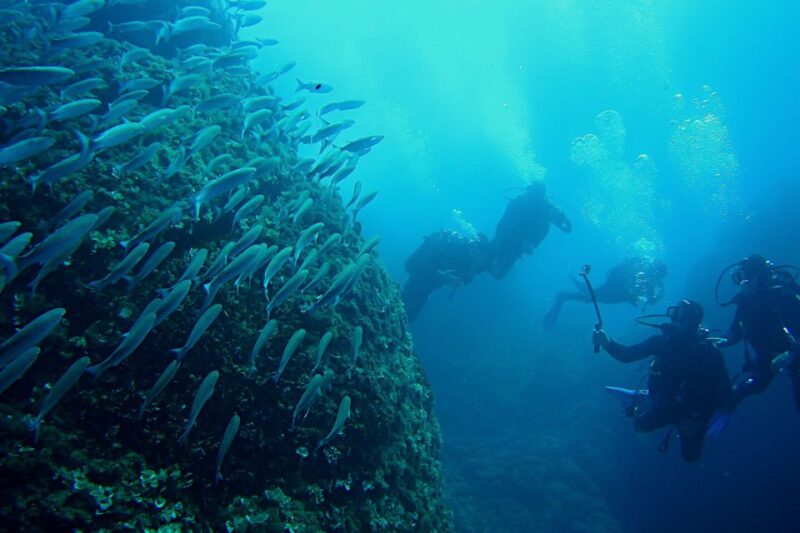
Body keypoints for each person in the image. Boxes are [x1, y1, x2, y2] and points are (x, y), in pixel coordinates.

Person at [593, 299, 731, 462]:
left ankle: (643, 398)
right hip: (665, 402)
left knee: (691, 457)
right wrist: (607, 343)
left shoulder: (709, 352)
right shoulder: (661, 342)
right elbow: (627, 355)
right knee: (640, 425)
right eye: (673, 313)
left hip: (694, 410)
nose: (673, 319)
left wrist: (724, 411)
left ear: (691, 321)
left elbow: (724, 386)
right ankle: (643, 399)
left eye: (679, 315)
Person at [717, 254, 800, 411]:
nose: (742, 282)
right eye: (739, 277)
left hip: (795, 352)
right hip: (768, 356)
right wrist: (724, 340)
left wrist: (792, 352)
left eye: (745, 276)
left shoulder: (782, 295)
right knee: (745, 390)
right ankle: (719, 415)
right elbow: (736, 329)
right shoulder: (745, 301)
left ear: (758, 275)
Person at [543, 257, 667, 329]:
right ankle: (563, 295)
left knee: (593, 295)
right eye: (659, 276)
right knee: (591, 297)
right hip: (617, 288)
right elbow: (634, 288)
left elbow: (649, 297)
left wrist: (644, 297)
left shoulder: (649, 276)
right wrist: (634, 297)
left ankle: (574, 283)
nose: (658, 279)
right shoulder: (643, 273)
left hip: (617, 288)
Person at [485, 181, 571, 279]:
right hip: (507, 239)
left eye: (536, 194)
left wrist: (559, 214)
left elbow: (567, 227)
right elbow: (503, 223)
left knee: (497, 273)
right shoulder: (520, 202)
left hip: (516, 244)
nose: (533, 196)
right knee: (486, 265)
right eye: (532, 193)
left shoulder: (546, 208)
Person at [402, 230, 490, 322]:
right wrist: (440, 274)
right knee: (408, 307)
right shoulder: (455, 248)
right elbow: (428, 263)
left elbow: (467, 278)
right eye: (478, 250)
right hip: (421, 279)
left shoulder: (468, 258)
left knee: (410, 311)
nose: (478, 254)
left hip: (428, 284)